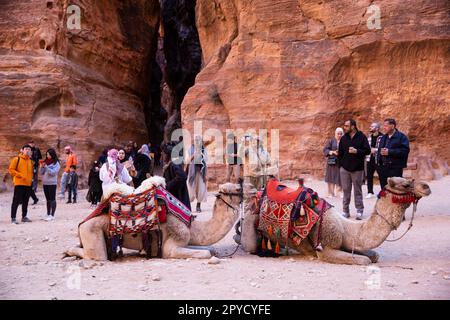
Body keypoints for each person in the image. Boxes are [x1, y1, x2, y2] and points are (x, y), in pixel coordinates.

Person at [338, 119, 371, 220]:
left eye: (347, 126)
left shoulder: (361, 137)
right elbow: (340, 153)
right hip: (345, 169)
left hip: (357, 169)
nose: (345, 127)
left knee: (358, 190)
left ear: (353, 126)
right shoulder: (344, 138)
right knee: (346, 190)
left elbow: (367, 150)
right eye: (344, 125)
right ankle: (345, 211)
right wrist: (341, 166)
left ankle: (359, 211)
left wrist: (357, 151)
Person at [377, 118, 410, 189]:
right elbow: (380, 150)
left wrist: (389, 152)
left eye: (386, 126)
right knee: (384, 190)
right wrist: (379, 165)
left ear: (392, 126)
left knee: (396, 189)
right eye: (383, 126)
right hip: (383, 168)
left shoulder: (401, 137)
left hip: (395, 168)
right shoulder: (383, 137)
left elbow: (405, 151)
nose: (384, 128)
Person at [8, 144, 34, 224]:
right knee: (16, 201)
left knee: (26, 201)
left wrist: (30, 181)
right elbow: (11, 169)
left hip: (28, 184)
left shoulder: (30, 161)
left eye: (29, 149)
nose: (27, 150)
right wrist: (20, 175)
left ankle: (24, 217)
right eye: (26, 149)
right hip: (19, 183)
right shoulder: (17, 159)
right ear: (22, 150)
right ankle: (13, 218)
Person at [162, 142, 191, 210]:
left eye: (163, 153)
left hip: (179, 197)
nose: (162, 154)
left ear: (168, 155)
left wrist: (168, 185)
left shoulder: (174, 164)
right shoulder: (170, 164)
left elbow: (182, 176)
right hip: (176, 196)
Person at [187, 136, 209, 213]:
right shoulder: (191, 149)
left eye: (199, 141)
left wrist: (206, 174)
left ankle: (198, 206)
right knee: (190, 189)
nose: (197, 142)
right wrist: (195, 154)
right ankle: (188, 206)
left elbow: (206, 162)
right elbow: (188, 160)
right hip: (192, 172)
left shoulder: (204, 149)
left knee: (200, 189)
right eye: (196, 141)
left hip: (200, 173)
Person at [40, 148, 61, 221]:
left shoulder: (56, 163)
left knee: (52, 199)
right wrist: (42, 167)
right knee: (48, 199)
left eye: (48, 154)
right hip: (45, 183)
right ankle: (48, 213)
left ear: (52, 155)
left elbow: (53, 173)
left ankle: (52, 215)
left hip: (52, 183)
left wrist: (46, 167)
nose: (47, 156)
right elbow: (41, 173)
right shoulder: (45, 162)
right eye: (46, 154)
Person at [323, 127, 343, 198]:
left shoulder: (344, 141)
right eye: (338, 134)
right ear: (335, 134)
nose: (339, 135)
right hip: (332, 161)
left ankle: (339, 192)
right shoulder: (331, 141)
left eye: (341, 134)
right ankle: (330, 193)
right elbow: (325, 149)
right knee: (331, 176)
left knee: (340, 177)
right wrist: (332, 152)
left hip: (340, 162)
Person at [366, 122, 384, 198]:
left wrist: (375, 150)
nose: (370, 127)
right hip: (370, 159)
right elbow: (366, 147)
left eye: (372, 126)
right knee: (369, 176)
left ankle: (383, 192)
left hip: (379, 159)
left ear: (377, 128)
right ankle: (370, 192)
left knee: (382, 176)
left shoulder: (383, 137)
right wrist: (369, 150)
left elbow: (384, 147)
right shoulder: (369, 137)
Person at [28, 140, 42, 205]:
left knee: (35, 177)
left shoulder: (37, 149)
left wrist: (38, 163)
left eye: (32, 143)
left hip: (35, 165)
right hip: (28, 166)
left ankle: (34, 188)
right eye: (30, 143)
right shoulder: (27, 150)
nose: (31, 144)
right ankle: (31, 187)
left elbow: (40, 157)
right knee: (30, 177)